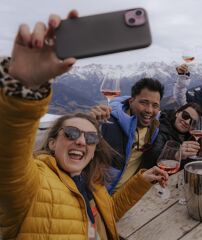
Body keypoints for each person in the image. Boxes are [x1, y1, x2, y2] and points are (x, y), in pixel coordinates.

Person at [0, 11, 169, 239]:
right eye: (71, 133)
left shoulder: (93, 185)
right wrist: (24, 90)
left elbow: (107, 215)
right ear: (51, 142)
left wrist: (141, 182)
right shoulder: (34, 182)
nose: (81, 140)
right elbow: (9, 158)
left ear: (94, 149)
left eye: (90, 137)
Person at [91, 77, 164, 194]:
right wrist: (89, 122)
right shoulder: (108, 123)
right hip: (98, 196)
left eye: (155, 105)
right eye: (144, 102)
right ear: (131, 102)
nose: (149, 110)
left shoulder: (154, 126)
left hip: (126, 194)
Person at [145, 102, 202, 168]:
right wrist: (176, 154)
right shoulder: (162, 127)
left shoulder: (190, 137)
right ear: (177, 113)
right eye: (185, 116)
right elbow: (153, 155)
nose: (187, 122)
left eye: (193, 122)